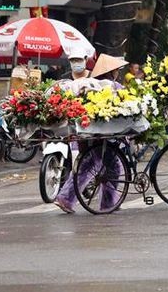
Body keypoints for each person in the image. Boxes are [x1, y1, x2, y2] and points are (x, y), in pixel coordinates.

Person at [53, 51, 126, 214]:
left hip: (87, 135)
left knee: (88, 165)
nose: (118, 73)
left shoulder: (90, 83)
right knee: (112, 167)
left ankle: (66, 198)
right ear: (110, 72)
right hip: (99, 135)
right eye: (116, 70)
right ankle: (107, 203)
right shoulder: (109, 85)